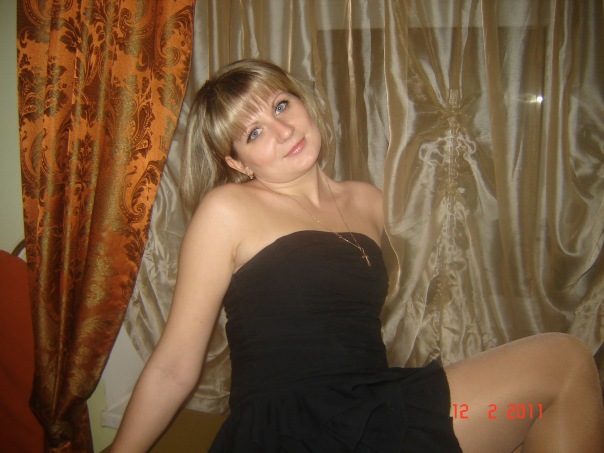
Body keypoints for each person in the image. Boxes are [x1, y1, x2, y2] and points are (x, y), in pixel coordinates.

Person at [110, 59, 604, 452]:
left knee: (548, 386)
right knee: (564, 360)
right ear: (237, 162)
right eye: (254, 132)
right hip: (293, 426)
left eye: (281, 106)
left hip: (373, 407)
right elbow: (174, 366)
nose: (282, 131)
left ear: (303, 102)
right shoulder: (227, 209)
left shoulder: (369, 201)